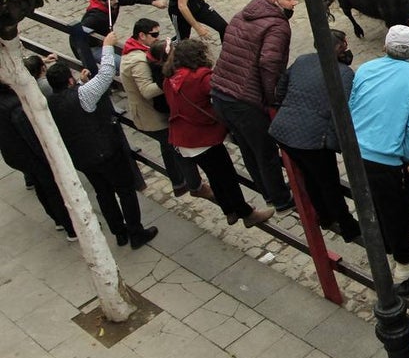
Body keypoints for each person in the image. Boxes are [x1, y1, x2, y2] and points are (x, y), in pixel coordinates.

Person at [45, 35, 159, 249]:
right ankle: (136, 232)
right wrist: (107, 47)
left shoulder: (51, 102)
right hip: (105, 152)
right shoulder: (82, 94)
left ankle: (119, 232)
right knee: (124, 190)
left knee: (103, 193)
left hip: (83, 158)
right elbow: (106, 74)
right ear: (69, 80)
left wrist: (80, 83)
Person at [349, 25, 409, 294]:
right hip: (385, 156)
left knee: (369, 200)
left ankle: (383, 243)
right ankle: (406, 263)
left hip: (356, 149)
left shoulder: (365, 69)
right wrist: (406, 154)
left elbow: (352, 104)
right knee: (392, 211)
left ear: (384, 46)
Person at [164, 38, 275, 229]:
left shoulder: (170, 78)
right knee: (226, 175)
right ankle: (246, 213)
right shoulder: (200, 77)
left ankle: (228, 210)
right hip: (202, 136)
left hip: (184, 137)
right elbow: (223, 95)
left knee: (214, 176)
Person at [211, 0, 298, 212]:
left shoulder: (243, 15)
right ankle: (281, 200)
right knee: (265, 151)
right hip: (244, 99)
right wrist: (272, 98)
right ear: (272, 0)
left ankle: (268, 192)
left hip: (221, 92)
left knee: (248, 148)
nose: (294, 2)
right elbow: (269, 63)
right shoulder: (277, 25)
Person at [268, 30, 361, 242]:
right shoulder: (344, 74)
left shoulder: (301, 61)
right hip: (313, 138)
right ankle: (347, 225)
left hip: (285, 132)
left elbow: (280, 89)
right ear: (342, 46)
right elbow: (344, 109)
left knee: (310, 176)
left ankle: (325, 216)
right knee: (328, 181)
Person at [120, 17, 210, 199]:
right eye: (154, 35)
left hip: (154, 112)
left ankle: (179, 183)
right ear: (141, 35)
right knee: (177, 149)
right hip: (151, 115)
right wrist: (171, 80)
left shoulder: (137, 50)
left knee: (168, 147)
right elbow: (146, 90)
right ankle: (194, 185)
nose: (157, 37)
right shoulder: (137, 60)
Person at [0, 82, 75, 240]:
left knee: (41, 186)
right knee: (52, 189)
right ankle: (71, 226)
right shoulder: (14, 105)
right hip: (30, 154)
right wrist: (47, 156)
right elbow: (29, 136)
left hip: (14, 155)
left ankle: (57, 219)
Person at [69, 0, 166, 74]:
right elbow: (76, 33)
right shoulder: (95, 17)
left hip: (104, 42)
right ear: (103, 0)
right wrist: (81, 54)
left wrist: (153, 2)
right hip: (92, 47)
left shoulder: (114, 1)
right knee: (124, 65)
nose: (117, 1)